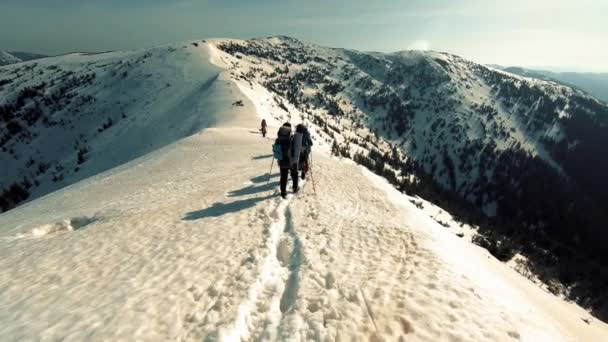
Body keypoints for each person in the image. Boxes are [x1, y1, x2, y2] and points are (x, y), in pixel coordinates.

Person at [274, 122, 298, 199]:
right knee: (294, 173)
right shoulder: (292, 138)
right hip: (291, 160)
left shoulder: (278, 139)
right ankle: (295, 188)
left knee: (283, 177)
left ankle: (283, 192)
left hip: (282, 161)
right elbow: (295, 149)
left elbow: (276, 150)